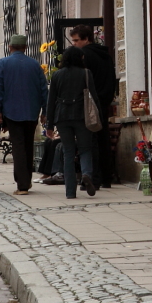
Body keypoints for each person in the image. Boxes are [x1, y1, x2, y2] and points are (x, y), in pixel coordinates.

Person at [0, 34, 48, 195]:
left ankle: (22, 185)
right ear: (25, 48)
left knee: (18, 146)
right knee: (28, 145)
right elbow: (43, 89)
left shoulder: (3, 64)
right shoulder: (35, 65)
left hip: (12, 111)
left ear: (10, 47)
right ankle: (26, 180)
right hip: (32, 111)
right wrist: (45, 110)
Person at [45, 46, 98, 199]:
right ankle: (86, 174)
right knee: (85, 149)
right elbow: (94, 97)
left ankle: (70, 192)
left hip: (62, 117)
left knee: (68, 152)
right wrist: (98, 118)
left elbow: (51, 101)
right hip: (82, 116)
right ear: (80, 58)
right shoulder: (85, 73)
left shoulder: (57, 75)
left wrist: (49, 125)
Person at [69, 25, 117, 189]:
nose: (74, 44)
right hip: (103, 101)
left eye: (76, 40)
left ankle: (94, 178)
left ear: (86, 39)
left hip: (89, 102)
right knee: (103, 139)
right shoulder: (105, 55)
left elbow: (83, 81)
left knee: (91, 141)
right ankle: (106, 177)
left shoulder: (85, 55)